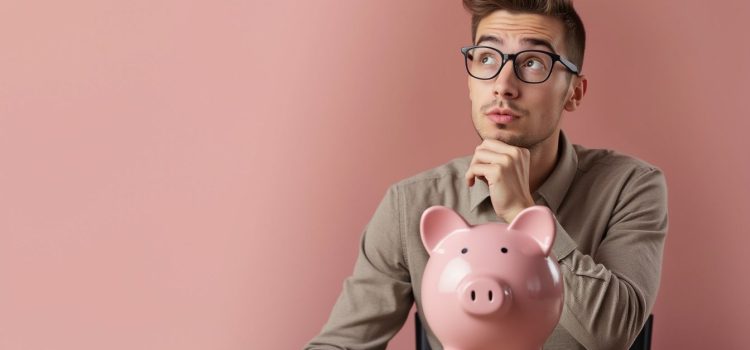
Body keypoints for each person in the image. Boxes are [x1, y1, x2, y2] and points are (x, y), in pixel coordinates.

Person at [306, 0, 668, 349]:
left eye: (533, 63)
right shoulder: (410, 205)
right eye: (486, 58)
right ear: (469, 81)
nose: (503, 85)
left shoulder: (629, 187)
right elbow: (341, 344)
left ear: (574, 91)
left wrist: (523, 213)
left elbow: (615, 335)